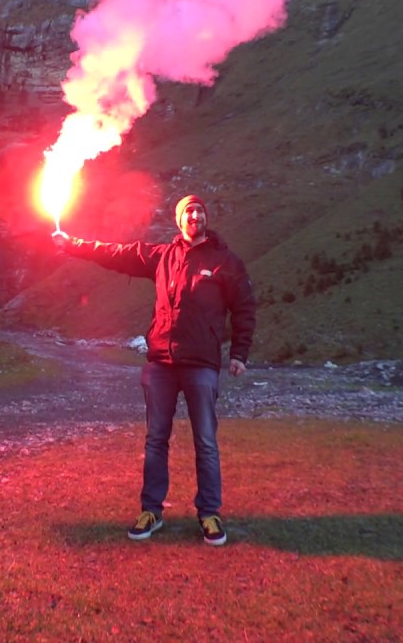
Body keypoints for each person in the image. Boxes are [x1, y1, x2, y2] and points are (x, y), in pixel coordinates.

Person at [52, 194, 256, 546]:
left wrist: (239, 353)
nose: (194, 215)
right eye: (188, 211)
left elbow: (244, 308)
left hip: (202, 366)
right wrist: (72, 245)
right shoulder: (163, 257)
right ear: (179, 221)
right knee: (155, 440)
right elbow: (116, 253)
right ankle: (151, 511)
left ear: (205, 218)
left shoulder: (226, 262)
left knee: (205, 441)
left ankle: (209, 513)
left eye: (199, 210)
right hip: (161, 364)